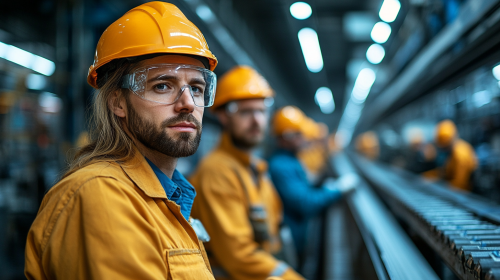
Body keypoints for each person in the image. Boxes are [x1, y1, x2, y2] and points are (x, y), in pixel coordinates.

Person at [25, 2, 220, 279]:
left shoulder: (168, 197)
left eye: (197, 88)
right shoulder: (101, 196)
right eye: (162, 86)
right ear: (118, 102)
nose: (187, 103)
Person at [190, 66, 304, 280]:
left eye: (261, 111)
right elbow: (239, 256)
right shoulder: (217, 172)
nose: (256, 121)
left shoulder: (255, 167)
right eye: (246, 112)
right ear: (223, 117)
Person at [268, 106, 358, 270]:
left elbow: (305, 191)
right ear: (287, 136)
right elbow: (306, 203)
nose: (304, 140)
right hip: (292, 241)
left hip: (299, 236)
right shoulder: (281, 166)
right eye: (299, 135)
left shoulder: (290, 161)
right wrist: (337, 189)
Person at [426, 119, 477, 191]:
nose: (443, 149)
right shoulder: (452, 151)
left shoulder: (461, 154)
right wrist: (427, 176)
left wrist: (441, 187)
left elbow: (460, 184)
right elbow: (444, 172)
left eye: (445, 146)